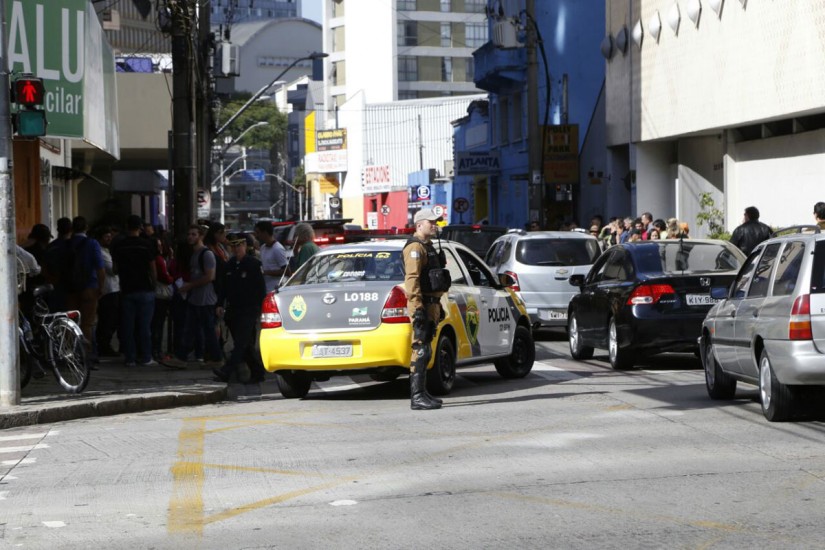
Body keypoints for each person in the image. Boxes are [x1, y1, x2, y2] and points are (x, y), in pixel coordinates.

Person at [402, 208, 451, 411]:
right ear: (419, 224)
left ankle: (422, 392)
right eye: (431, 222)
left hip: (431, 304)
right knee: (420, 348)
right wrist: (418, 307)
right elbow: (412, 279)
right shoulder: (415, 247)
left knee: (426, 347)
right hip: (422, 305)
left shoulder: (427, 246)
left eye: (436, 222)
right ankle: (417, 396)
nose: (434, 225)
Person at [163, 224, 223, 370]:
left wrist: (190, 286)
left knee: (207, 330)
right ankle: (182, 357)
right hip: (195, 299)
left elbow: (210, 276)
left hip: (205, 299)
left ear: (201, 236)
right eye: (189, 234)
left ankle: (215, 358)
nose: (190, 237)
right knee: (190, 329)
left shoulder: (206, 254)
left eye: (194, 234)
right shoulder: (194, 254)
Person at [214, 233, 267, 384]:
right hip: (234, 310)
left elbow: (260, 289)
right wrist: (219, 304)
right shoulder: (229, 265)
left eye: (239, 245)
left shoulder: (253, 264)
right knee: (244, 344)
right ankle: (257, 372)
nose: (236, 249)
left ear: (244, 246)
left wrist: (259, 310)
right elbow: (224, 288)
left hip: (249, 309)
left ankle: (226, 371)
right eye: (233, 246)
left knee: (240, 343)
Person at [111, 215, 157, 367]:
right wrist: (154, 284)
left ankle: (130, 358)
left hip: (127, 288)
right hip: (145, 288)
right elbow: (152, 268)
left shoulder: (119, 246)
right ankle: (146, 357)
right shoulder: (146, 244)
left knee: (128, 326)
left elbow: (115, 268)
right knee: (145, 326)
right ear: (140, 227)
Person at [65, 216, 105, 355]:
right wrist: (101, 287)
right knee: (87, 323)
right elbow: (100, 268)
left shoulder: (67, 244)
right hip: (89, 287)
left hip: (71, 288)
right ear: (86, 228)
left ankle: (70, 353)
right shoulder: (92, 244)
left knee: (70, 322)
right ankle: (86, 355)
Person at [96, 226, 120, 358]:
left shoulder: (108, 251)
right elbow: (112, 269)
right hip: (108, 289)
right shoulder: (101, 252)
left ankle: (105, 344)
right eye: (106, 236)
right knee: (107, 319)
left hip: (114, 287)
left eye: (110, 236)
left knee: (111, 319)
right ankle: (103, 345)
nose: (109, 239)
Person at [151, 235, 175, 361]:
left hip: (157, 293)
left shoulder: (159, 258)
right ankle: (157, 350)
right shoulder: (159, 259)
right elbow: (165, 277)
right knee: (158, 323)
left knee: (156, 323)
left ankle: (155, 349)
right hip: (160, 294)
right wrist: (172, 279)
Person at [253, 221, 288, 293]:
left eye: (258, 232)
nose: (256, 236)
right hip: (266, 288)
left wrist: (265, 272)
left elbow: (287, 271)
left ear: (265, 233)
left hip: (276, 289)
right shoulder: (263, 248)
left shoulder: (277, 249)